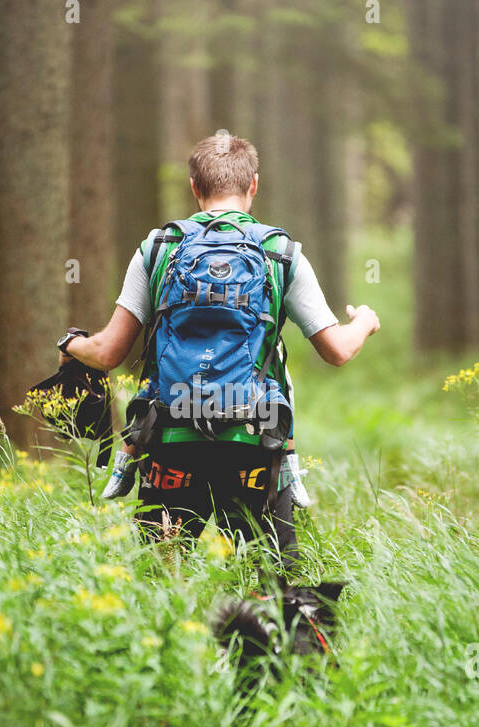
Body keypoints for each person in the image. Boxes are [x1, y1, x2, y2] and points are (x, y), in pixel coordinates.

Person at [56, 133, 379, 569]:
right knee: (272, 580)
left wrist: (71, 343)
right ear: (254, 185)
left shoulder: (159, 249)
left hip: (169, 435)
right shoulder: (281, 254)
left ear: (194, 187)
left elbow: (108, 352)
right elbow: (337, 351)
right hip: (255, 437)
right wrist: (365, 321)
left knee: (160, 578)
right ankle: (272, 636)